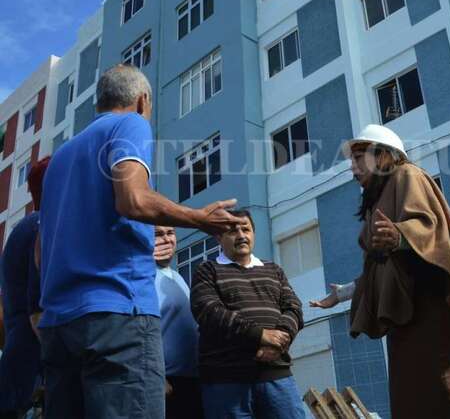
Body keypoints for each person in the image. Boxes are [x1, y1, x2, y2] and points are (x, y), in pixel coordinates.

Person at [38, 64, 245, 419]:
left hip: (59, 325)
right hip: (118, 316)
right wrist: (199, 218)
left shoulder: (60, 158)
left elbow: (42, 253)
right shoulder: (130, 124)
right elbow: (132, 199)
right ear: (142, 101)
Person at [310, 124, 450, 419]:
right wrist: (343, 293)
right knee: (410, 401)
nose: (352, 168)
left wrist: (399, 236)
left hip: (431, 308)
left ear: (383, 154)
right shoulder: (376, 203)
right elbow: (379, 270)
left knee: (446, 394)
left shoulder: (407, 175)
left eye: (358, 158)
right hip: (404, 316)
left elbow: (429, 227)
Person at [190, 210, 305, 419]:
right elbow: (209, 312)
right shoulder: (207, 270)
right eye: (233, 231)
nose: (242, 235)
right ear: (219, 237)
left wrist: (278, 340)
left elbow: (294, 308)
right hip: (225, 382)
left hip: (276, 375)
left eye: (246, 229)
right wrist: (260, 335)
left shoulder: (274, 270)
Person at [0, 157, 49, 419]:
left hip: (18, 363)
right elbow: (37, 310)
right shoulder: (41, 226)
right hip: (31, 372)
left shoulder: (24, 227)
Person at [154, 226, 203, 419]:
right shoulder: (143, 276)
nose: (166, 239)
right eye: (157, 234)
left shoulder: (177, 277)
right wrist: (156, 376)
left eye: (170, 233)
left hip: (193, 380)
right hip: (166, 384)